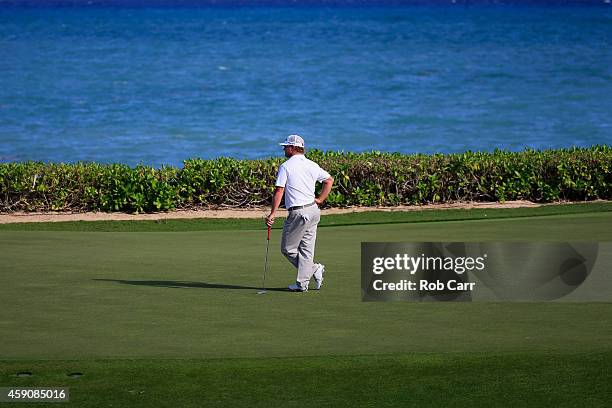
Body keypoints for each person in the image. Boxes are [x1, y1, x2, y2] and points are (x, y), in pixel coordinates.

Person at [266, 134, 334, 292]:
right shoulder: (312, 164)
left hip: (299, 212)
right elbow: (329, 180)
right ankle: (302, 284)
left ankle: (314, 269)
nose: (284, 149)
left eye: (286, 146)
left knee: (288, 249)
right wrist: (321, 199)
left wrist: (272, 214)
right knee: (306, 249)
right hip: (313, 210)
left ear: (292, 148)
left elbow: (279, 190)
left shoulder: (286, 166)